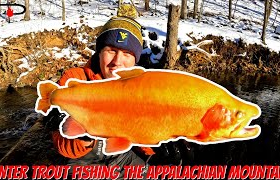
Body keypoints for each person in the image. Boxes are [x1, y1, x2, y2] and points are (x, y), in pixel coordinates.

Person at [45, 16, 195, 179]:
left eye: (127, 54)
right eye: (111, 51)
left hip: (122, 158)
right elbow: (62, 146)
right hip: (83, 163)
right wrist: (82, 135)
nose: (117, 61)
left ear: (135, 60)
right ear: (100, 52)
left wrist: (158, 150)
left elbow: (140, 137)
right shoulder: (75, 80)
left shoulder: (142, 91)